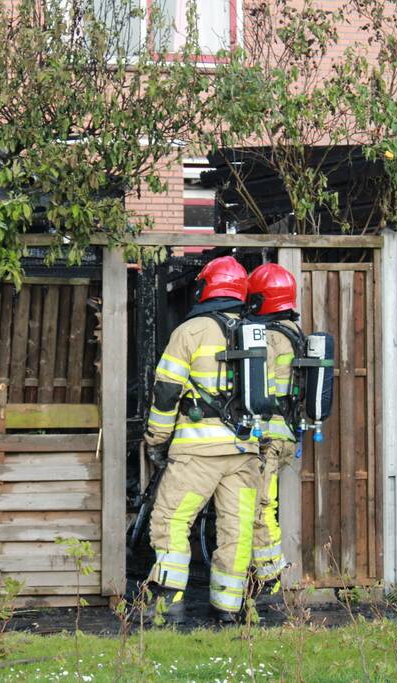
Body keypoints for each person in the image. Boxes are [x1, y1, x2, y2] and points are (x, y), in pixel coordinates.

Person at [142, 255, 263, 624]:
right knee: (237, 530)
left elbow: (166, 394)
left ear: (207, 288)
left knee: (171, 523)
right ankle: (229, 610)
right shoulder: (256, 333)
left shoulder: (189, 332)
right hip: (245, 452)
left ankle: (166, 605)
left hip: (197, 454)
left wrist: (156, 441)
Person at [245, 263, 301, 599]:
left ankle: (269, 577)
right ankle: (263, 574)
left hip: (267, 437)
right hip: (289, 436)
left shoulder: (269, 339)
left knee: (259, 506)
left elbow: (257, 390)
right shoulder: (296, 333)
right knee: (266, 503)